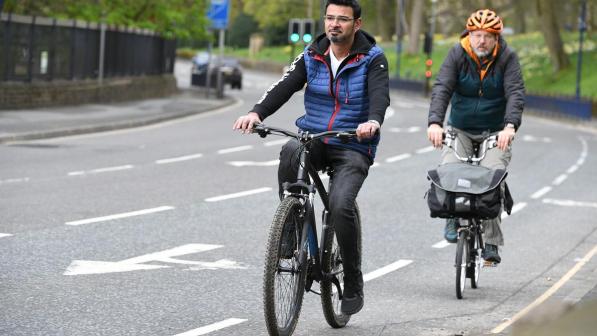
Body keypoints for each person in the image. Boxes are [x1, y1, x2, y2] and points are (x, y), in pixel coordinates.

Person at [233, 0, 389, 315]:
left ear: (356, 24)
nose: (334, 24)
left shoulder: (373, 59)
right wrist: (256, 112)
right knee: (290, 150)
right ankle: (290, 229)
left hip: (353, 144)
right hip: (315, 137)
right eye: (330, 18)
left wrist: (372, 122)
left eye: (342, 20)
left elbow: (379, 97)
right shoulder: (312, 55)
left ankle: (354, 281)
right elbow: (285, 85)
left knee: (341, 204)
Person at [427, 9, 525, 264]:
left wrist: (510, 127)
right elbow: (442, 88)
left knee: (493, 176)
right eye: (476, 35)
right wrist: (435, 123)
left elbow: (515, 92)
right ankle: (451, 219)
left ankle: (491, 242)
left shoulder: (507, 57)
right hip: (460, 127)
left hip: (495, 131)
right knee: (449, 167)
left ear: (496, 38)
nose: (481, 40)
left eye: (487, 36)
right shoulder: (457, 53)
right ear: (469, 35)